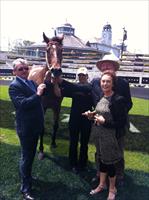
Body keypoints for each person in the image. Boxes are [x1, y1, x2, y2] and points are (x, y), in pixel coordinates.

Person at [83, 71, 127, 200]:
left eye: (108, 81)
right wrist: (92, 114)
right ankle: (102, 185)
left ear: (113, 83)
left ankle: (112, 189)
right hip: (98, 136)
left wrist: (105, 122)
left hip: (110, 137)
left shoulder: (118, 99)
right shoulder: (102, 96)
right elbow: (99, 113)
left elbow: (121, 122)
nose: (105, 83)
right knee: (102, 161)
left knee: (110, 164)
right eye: (103, 81)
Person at [91, 53, 133, 185]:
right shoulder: (95, 82)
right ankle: (99, 172)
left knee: (118, 149)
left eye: (108, 64)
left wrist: (116, 115)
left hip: (117, 124)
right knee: (99, 150)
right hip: (100, 124)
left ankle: (119, 175)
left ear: (114, 67)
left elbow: (129, 103)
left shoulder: (123, 83)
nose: (105, 66)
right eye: (103, 64)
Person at [9, 58, 46, 200]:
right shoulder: (14, 86)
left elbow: (40, 95)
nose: (24, 71)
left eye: (25, 68)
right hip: (26, 128)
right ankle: (25, 189)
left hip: (35, 126)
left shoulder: (30, 82)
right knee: (26, 157)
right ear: (14, 72)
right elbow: (23, 104)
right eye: (20, 69)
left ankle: (28, 176)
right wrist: (37, 93)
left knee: (30, 156)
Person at [68, 67, 93, 173]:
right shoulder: (74, 87)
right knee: (73, 142)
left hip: (86, 119)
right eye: (80, 75)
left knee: (84, 143)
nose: (81, 77)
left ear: (87, 76)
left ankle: (83, 163)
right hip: (74, 119)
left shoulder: (91, 88)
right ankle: (72, 163)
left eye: (83, 75)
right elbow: (60, 93)